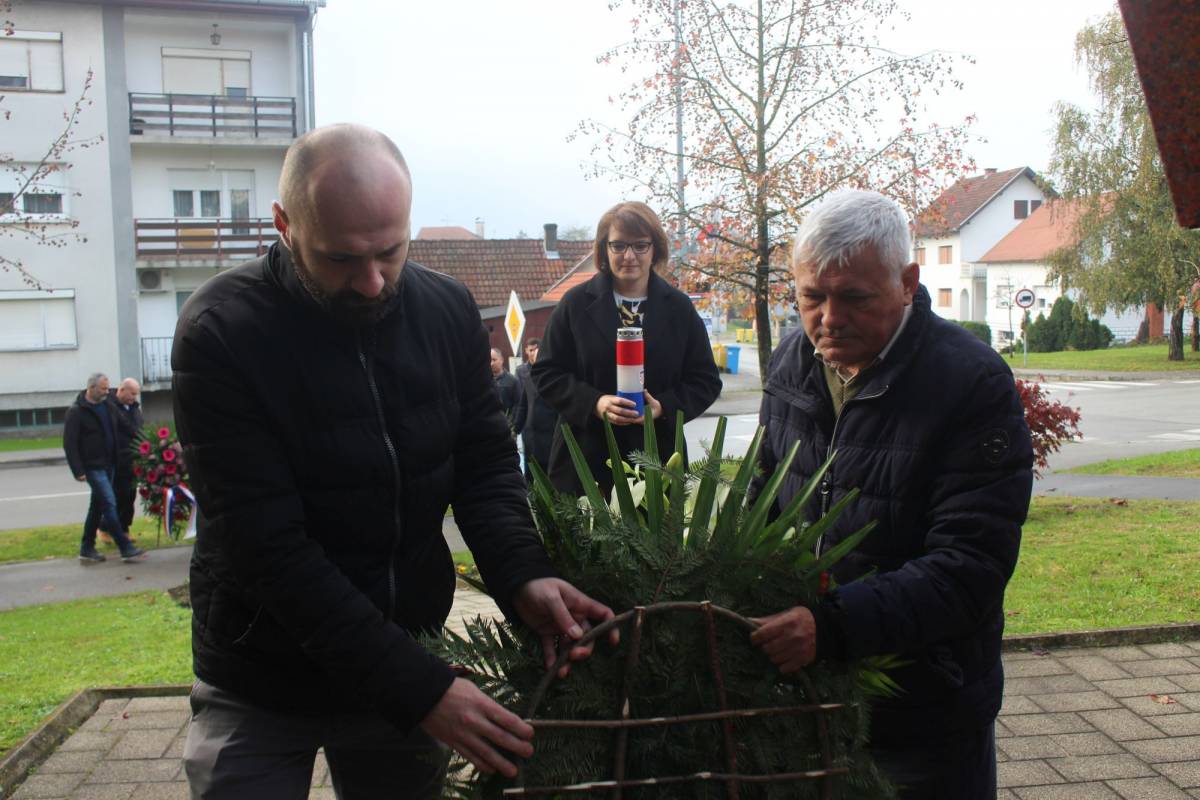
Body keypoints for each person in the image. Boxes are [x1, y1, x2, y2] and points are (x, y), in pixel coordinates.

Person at [172, 123, 615, 800]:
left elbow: (485, 468)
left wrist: (522, 574)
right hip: (261, 674)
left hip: (407, 652)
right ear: (285, 225)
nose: (374, 283)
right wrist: (421, 688)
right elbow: (266, 548)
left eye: (390, 251)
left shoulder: (446, 311)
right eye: (341, 259)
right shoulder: (222, 332)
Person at [746, 190, 1032, 799]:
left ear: (907, 282)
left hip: (926, 706)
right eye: (810, 298)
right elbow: (762, 497)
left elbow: (970, 567)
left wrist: (832, 628)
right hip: (808, 696)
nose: (828, 319)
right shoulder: (793, 361)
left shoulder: (971, 383)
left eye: (853, 297)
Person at [532, 201, 721, 494]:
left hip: (658, 463)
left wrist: (664, 408)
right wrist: (594, 402)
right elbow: (546, 372)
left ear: (655, 249)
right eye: (618, 245)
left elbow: (705, 380)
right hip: (585, 462)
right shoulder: (575, 304)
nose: (629, 255)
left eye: (640, 246)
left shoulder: (680, 309)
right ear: (604, 250)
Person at [62, 373, 146, 564]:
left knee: (97, 506)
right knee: (109, 502)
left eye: (108, 388)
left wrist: (145, 441)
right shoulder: (76, 412)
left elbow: (126, 426)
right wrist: (78, 470)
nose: (108, 392)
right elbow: (70, 444)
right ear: (91, 388)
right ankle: (125, 547)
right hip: (93, 467)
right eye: (104, 389)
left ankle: (86, 547)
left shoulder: (107, 405)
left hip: (111, 463)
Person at [515, 338, 557, 479]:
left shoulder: (557, 380)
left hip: (551, 439)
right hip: (531, 438)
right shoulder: (529, 378)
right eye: (532, 356)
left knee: (550, 478)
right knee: (532, 477)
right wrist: (514, 430)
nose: (533, 358)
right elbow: (523, 406)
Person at [109, 378, 143, 531]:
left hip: (132, 459)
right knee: (118, 496)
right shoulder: (111, 408)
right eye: (132, 394)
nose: (134, 398)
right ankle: (107, 528)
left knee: (130, 496)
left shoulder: (134, 408)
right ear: (122, 390)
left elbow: (139, 430)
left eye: (136, 394)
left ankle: (124, 528)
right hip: (117, 459)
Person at [491, 346, 522, 438]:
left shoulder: (512, 381)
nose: (491, 363)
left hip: (507, 428)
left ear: (501, 360)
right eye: (489, 360)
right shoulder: (484, 381)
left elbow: (518, 404)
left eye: (494, 360)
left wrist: (512, 424)